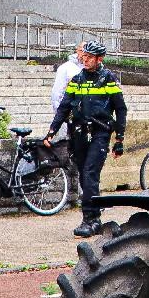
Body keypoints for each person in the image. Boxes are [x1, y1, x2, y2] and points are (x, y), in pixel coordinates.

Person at [48, 39, 126, 238]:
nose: (85, 60)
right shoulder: (77, 79)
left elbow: (120, 109)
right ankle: (95, 213)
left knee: (90, 173)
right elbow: (64, 107)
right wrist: (52, 130)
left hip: (100, 132)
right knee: (84, 174)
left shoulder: (108, 79)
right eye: (83, 56)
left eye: (89, 57)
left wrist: (119, 139)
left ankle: (90, 219)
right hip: (79, 133)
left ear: (100, 59)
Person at [50, 42, 84, 117]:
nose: (83, 54)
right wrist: (60, 112)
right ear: (77, 50)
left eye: (87, 52)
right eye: (82, 51)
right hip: (69, 112)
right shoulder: (65, 68)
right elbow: (57, 92)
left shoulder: (92, 69)